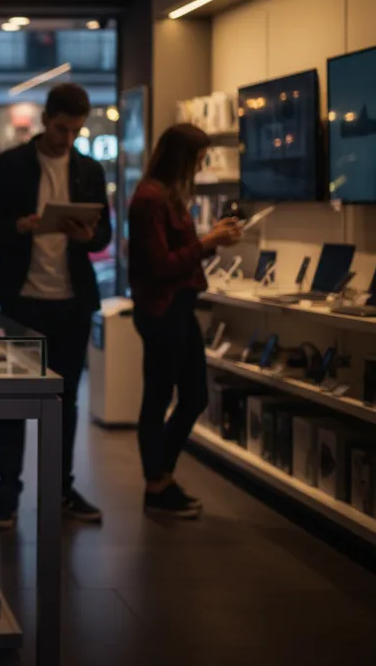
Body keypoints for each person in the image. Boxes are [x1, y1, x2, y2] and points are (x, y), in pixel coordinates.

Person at [0, 83, 112, 528]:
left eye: (75, 131)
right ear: (45, 120)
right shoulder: (13, 165)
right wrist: (20, 226)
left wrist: (87, 236)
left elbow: (105, 233)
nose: (67, 139)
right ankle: (9, 495)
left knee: (66, 401)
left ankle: (60, 489)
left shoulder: (89, 169)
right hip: (23, 299)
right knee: (14, 403)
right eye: (61, 128)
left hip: (71, 300)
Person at [129, 124, 242, 518]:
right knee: (160, 397)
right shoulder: (151, 199)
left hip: (176, 306)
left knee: (192, 395)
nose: (200, 166)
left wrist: (210, 242)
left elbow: (178, 259)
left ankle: (161, 477)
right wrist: (209, 242)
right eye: (197, 159)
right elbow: (160, 266)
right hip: (163, 309)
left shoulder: (167, 198)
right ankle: (156, 484)